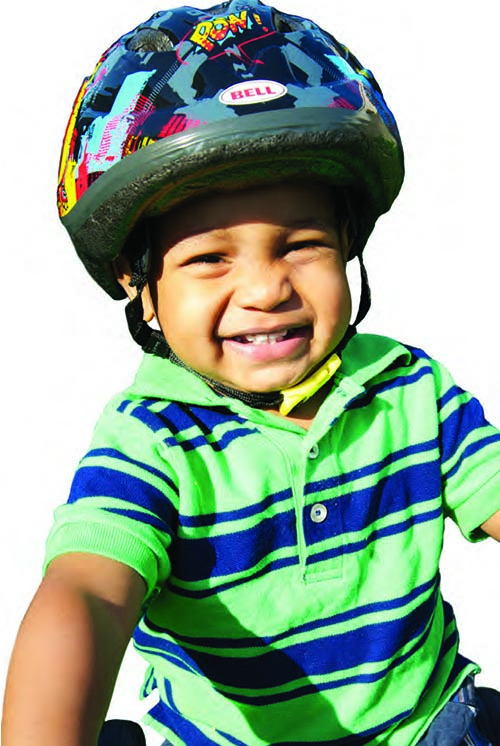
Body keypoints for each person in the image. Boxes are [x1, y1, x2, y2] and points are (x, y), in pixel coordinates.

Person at [2, 0, 500, 744]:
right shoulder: (153, 441)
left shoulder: (408, 391)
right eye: (208, 258)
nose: (267, 290)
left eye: (301, 244)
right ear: (140, 287)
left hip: (425, 728)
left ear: (348, 247)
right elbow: (88, 593)